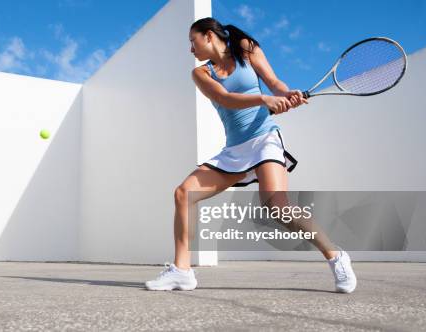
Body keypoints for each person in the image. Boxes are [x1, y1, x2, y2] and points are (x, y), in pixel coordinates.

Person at [144, 17, 356, 293]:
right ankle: (182, 271)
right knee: (184, 193)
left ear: (208, 36)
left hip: (264, 138)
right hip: (234, 149)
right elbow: (225, 99)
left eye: (192, 41)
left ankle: (336, 256)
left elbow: (273, 81)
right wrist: (264, 99)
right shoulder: (201, 74)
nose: (190, 49)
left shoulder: (245, 48)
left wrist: (285, 94)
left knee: (278, 208)